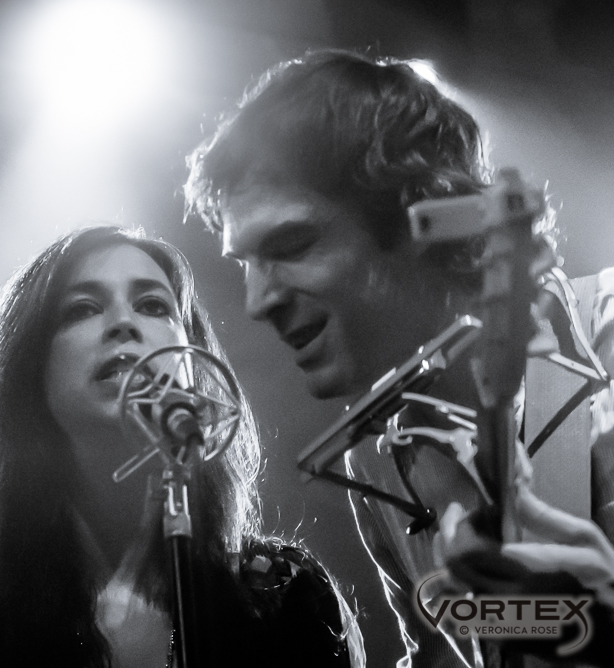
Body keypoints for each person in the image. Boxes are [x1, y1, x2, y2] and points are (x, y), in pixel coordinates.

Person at [184, 49, 614, 667]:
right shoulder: (375, 458)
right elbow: (440, 652)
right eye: (246, 263)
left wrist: (587, 624)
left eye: (294, 243)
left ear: (422, 215)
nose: (258, 302)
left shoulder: (604, 340)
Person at [0, 225, 365, 668]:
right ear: (29, 371)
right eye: (82, 309)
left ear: (194, 363)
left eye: (154, 306)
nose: (123, 323)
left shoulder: (286, 596)